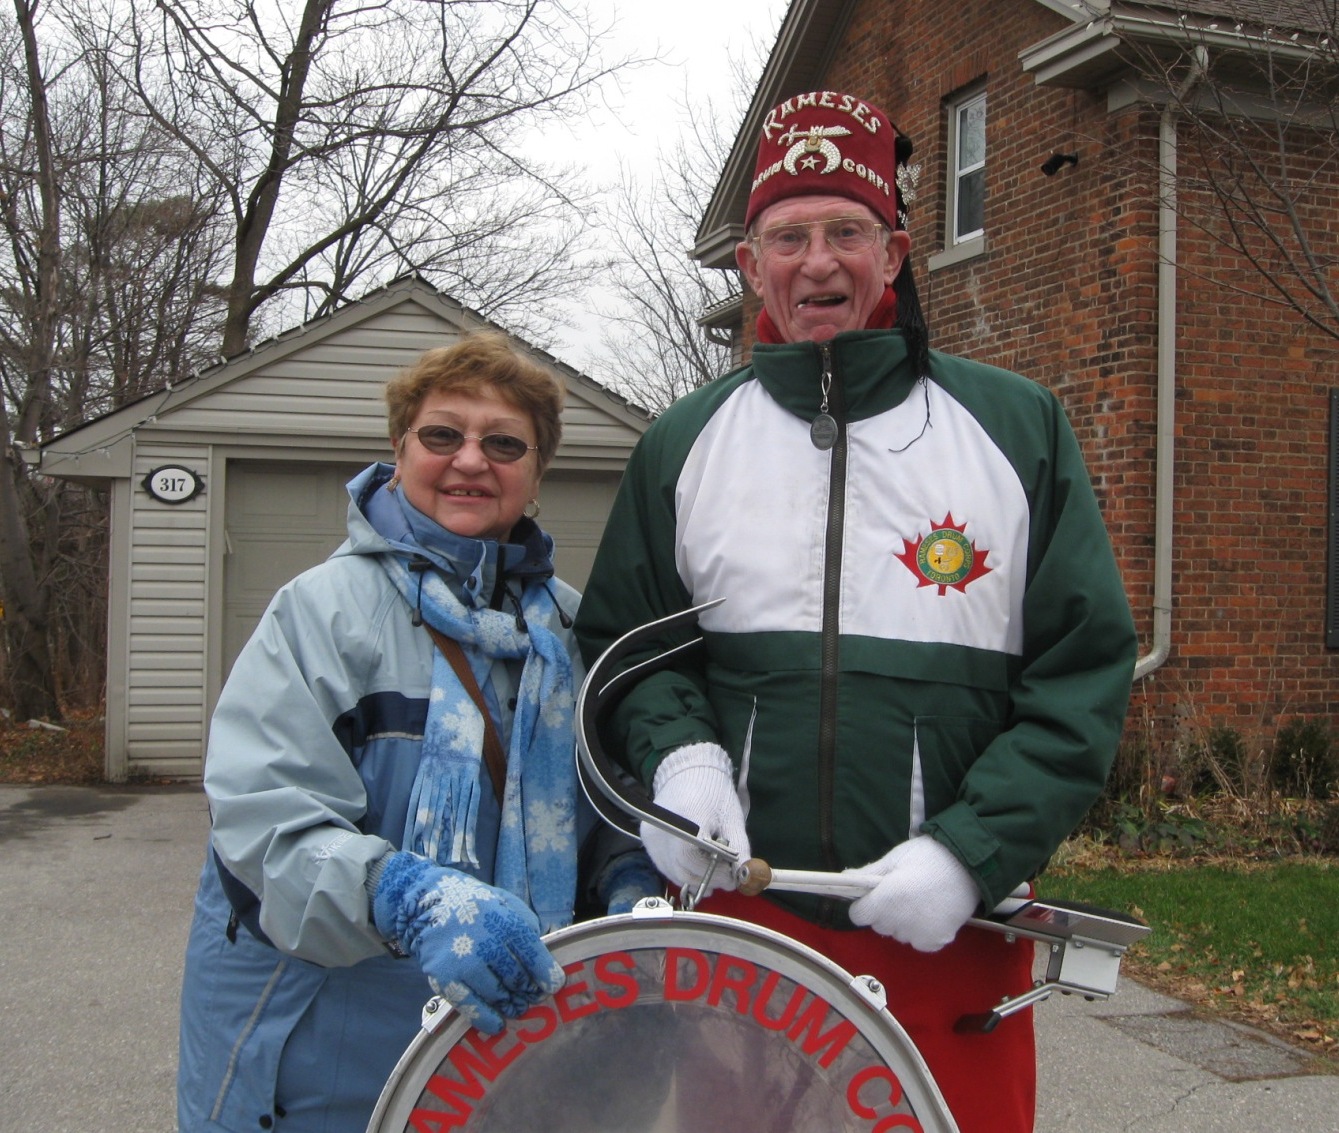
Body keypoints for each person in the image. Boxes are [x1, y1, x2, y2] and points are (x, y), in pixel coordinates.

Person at [573, 90, 1137, 1133]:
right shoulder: (682, 443)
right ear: (749, 265)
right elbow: (626, 647)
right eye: (788, 237)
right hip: (745, 940)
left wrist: (968, 851)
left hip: (944, 938)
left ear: (895, 253)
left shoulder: (1017, 429)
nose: (817, 263)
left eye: (846, 231)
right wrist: (680, 762)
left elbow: (1081, 674)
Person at [177, 331, 658, 1133]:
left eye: (504, 443)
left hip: (515, 1050)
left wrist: (627, 875)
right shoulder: (321, 611)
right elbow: (263, 821)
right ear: (399, 451)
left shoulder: (570, 630)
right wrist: (402, 894)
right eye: (442, 434)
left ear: (536, 472)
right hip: (320, 1042)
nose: (471, 459)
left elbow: (606, 799)